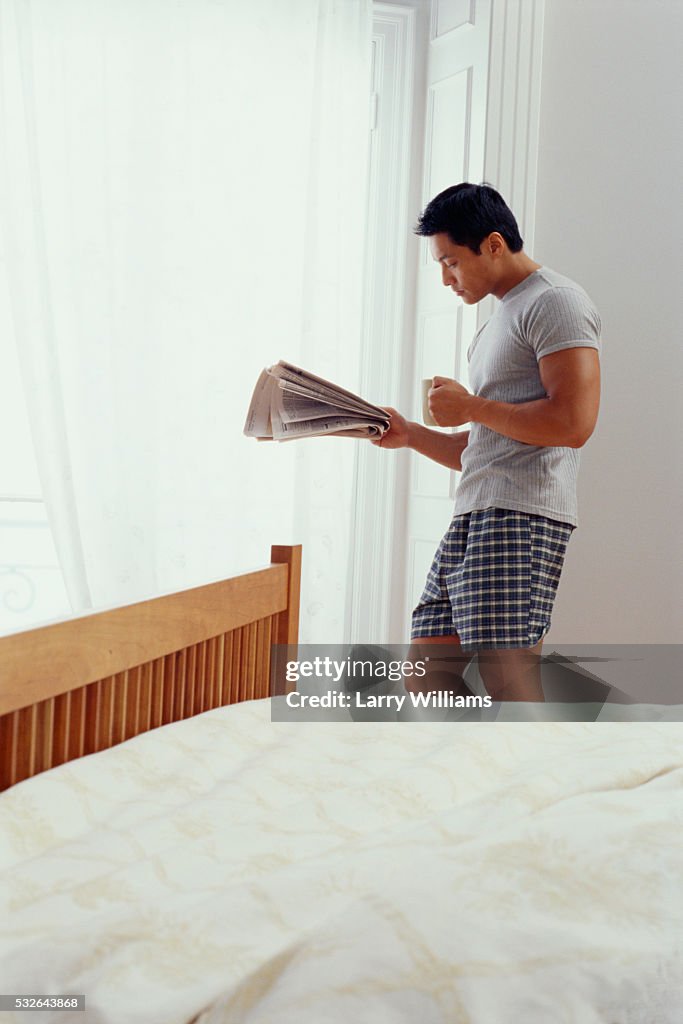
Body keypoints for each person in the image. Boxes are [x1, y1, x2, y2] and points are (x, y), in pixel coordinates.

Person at [374, 183, 601, 703]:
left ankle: (545, 784)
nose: (445, 278)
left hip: (519, 515)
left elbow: (573, 423)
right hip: (476, 513)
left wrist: (472, 407)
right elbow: (485, 447)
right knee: (428, 679)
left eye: (451, 262)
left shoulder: (556, 302)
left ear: (494, 245)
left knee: (509, 685)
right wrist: (410, 434)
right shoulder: (498, 321)